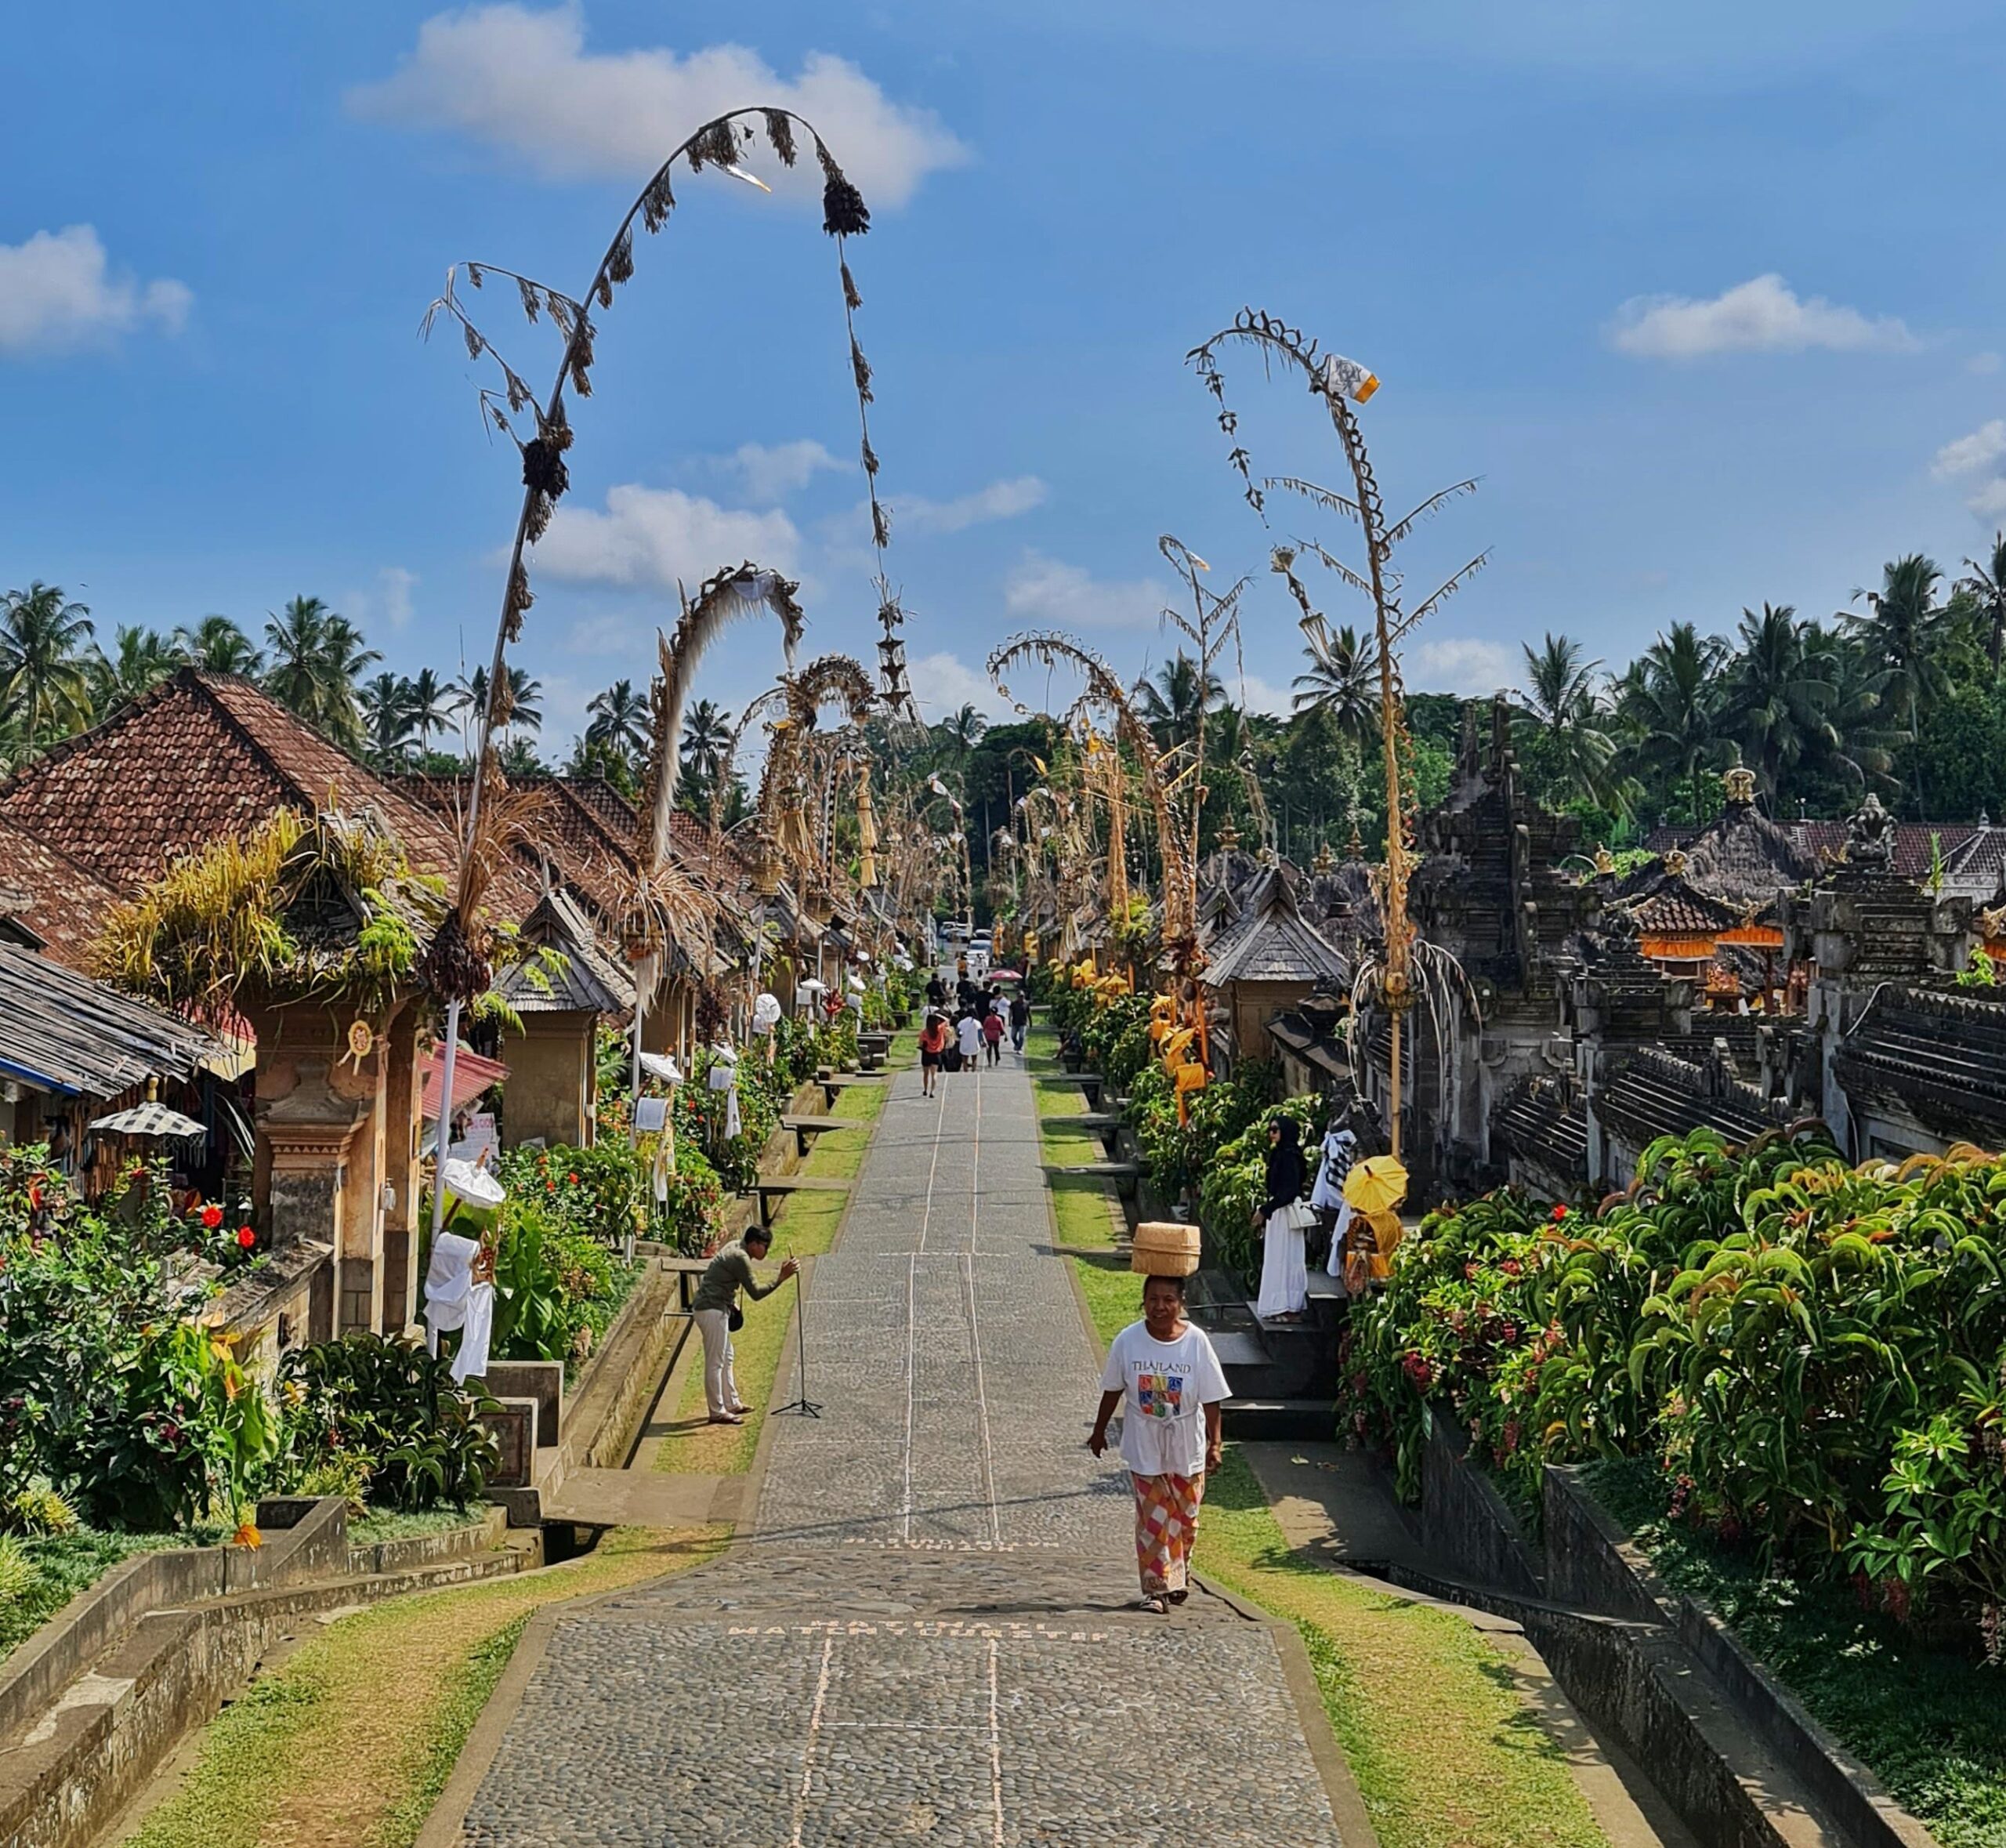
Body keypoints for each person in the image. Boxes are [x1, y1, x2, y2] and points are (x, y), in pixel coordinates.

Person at [1089, 1272, 1229, 1613]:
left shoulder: (1196, 1342)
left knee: (1186, 1520)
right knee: (1153, 1520)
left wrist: (1215, 1443)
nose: (1160, 1307)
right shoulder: (1128, 1341)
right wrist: (1099, 1430)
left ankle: (1180, 1575)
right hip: (1146, 1441)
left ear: (1181, 1304)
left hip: (1186, 1443)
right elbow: (1113, 1388)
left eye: (1169, 1300)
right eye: (1153, 1299)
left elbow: (1211, 1398)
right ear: (1143, 1302)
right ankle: (1155, 1589)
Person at [690, 1228, 799, 1424]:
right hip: (711, 1309)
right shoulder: (740, 1256)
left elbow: (721, 1279)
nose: (766, 1251)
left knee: (727, 1356)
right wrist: (781, 1278)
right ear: (754, 1244)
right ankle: (717, 1411)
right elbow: (756, 1293)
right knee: (715, 1362)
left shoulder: (736, 1247)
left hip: (717, 1307)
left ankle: (732, 1403)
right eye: (765, 1247)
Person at [1255, 1116, 1309, 1322]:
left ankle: (1290, 1306)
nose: (1271, 1133)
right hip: (1278, 1213)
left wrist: (1265, 1210)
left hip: (1286, 1214)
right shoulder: (1279, 1154)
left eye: (1276, 1129)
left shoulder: (1290, 1156)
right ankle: (1278, 1305)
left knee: (1287, 1259)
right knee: (1277, 1259)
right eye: (1270, 1129)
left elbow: (1290, 1190)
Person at [918, 1010, 950, 1098]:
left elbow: (920, 1044)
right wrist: (938, 1015)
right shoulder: (940, 1029)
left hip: (926, 1054)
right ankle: (932, 1091)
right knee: (934, 1074)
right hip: (936, 1054)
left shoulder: (924, 1032)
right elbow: (947, 1020)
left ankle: (925, 1090)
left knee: (926, 1074)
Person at [956, 1006, 985, 1074]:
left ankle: (965, 1071)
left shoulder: (962, 1022)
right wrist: (982, 1042)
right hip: (974, 1043)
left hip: (964, 1042)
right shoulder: (977, 1023)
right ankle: (973, 1071)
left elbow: (957, 1032)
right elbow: (980, 1033)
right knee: (974, 1058)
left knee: (964, 1058)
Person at [981, 1002, 1005, 1067]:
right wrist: (1003, 1033)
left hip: (988, 1034)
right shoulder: (999, 1019)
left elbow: (984, 1026)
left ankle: (989, 1062)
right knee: (996, 1048)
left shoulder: (988, 1018)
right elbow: (1001, 1027)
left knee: (989, 1049)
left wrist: (983, 1033)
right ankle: (997, 1060)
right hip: (996, 1035)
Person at [1008, 988, 1030, 1054]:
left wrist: (1030, 1022)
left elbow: (1028, 1014)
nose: (1021, 998)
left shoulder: (1026, 1004)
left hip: (1023, 1023)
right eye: (1020, 996)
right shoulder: (1013, 1004)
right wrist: (1009, 1021)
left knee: (1022, 1036)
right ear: (1017, 997)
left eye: (1022, 996)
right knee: (1013, 1036)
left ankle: (1019, 1048)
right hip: (1015, 1022)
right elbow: (1010, 1013)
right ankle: (1017, 1045)